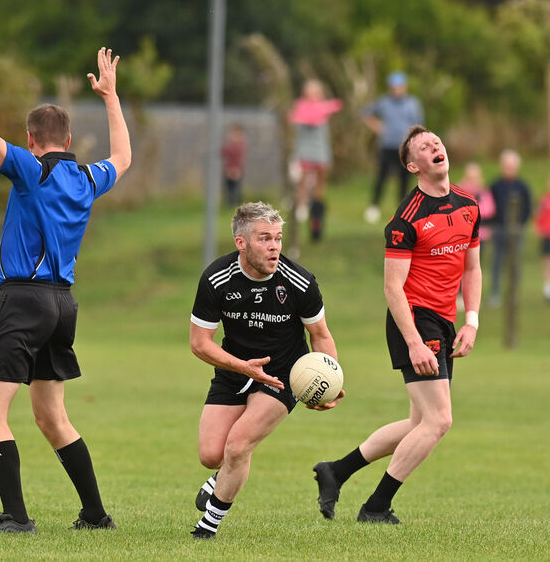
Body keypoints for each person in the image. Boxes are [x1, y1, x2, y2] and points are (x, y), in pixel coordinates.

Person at [0, 43, 131, 533]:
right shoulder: (88, 177)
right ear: (70, 138)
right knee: (52, 419)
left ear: (31, 140)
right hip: (62, 305)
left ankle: (16, 517)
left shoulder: (31, 170)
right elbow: (124, 156)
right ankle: (94, 515)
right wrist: (110, 95)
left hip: (23, 301)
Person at [312, 125, 481, 524]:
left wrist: (470, 321)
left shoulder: (469, 205)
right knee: (440, 421)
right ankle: (376, 507)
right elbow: (392, 288)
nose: (435, 145)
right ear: (412, 165)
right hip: (414, 320)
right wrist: (415, 342)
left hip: (444, 321)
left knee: (419, 422)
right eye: (424, 146)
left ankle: (336, 471)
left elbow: (472, 269)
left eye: (437, 140)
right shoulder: (407, 218)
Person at [188, 201, 344, 539]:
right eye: (264, 239)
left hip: (283, 374)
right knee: (211, 454)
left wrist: (329, 377)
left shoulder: (299, 282)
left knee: (238, 446)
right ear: (241, 243)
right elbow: (200, 343)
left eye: (277, 238)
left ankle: (208, 526)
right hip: (234, 369)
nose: (274, 247)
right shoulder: (217, 278)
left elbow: (320, 335)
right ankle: (222, 477)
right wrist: (242, 367)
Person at [362, 71, 424, 224]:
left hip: (405, 148)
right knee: (381, 177)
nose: (397, 90)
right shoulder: (384, 102)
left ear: (405, 87)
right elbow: (366, 113)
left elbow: (419, 125)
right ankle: (374, 207)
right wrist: (377, 126)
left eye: (400, 87)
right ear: (390, 88)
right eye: (394, 87)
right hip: (387, 145)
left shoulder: (413, 103)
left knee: (404, 179)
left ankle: (403, 211)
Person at [288, 79, 343, 241]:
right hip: (305, 150)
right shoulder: (300, 107)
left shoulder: (323, 108)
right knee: (303, 178)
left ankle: (317, 208)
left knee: (320, 181)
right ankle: (302, 205)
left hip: (320, 151)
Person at [488, 149, 532, 307]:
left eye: (511, 166)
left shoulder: (522, 187)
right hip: (499, 230)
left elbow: (528, 209)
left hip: (516, 231)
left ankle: (513, 294)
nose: (508, 169)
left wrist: (520, 224)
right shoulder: (495, 186)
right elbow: (488, 207)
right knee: (497, 263)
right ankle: (495, 294)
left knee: (514, 264)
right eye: (506, 165)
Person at [220, 124, 246, 208]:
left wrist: (235, 168)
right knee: (229, 188)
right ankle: (230, 204)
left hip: (235, 169)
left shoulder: (240, 145)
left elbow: (238, 157)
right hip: (228, 168)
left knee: (236, 188)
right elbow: (223, 152)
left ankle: (237, 205)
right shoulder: (230, 144)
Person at [534, 178, 550, 301]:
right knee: (546, 260)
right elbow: (538, 215)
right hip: (546, 235)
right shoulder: (544, 200)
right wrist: (538, 228)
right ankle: (547, 286)